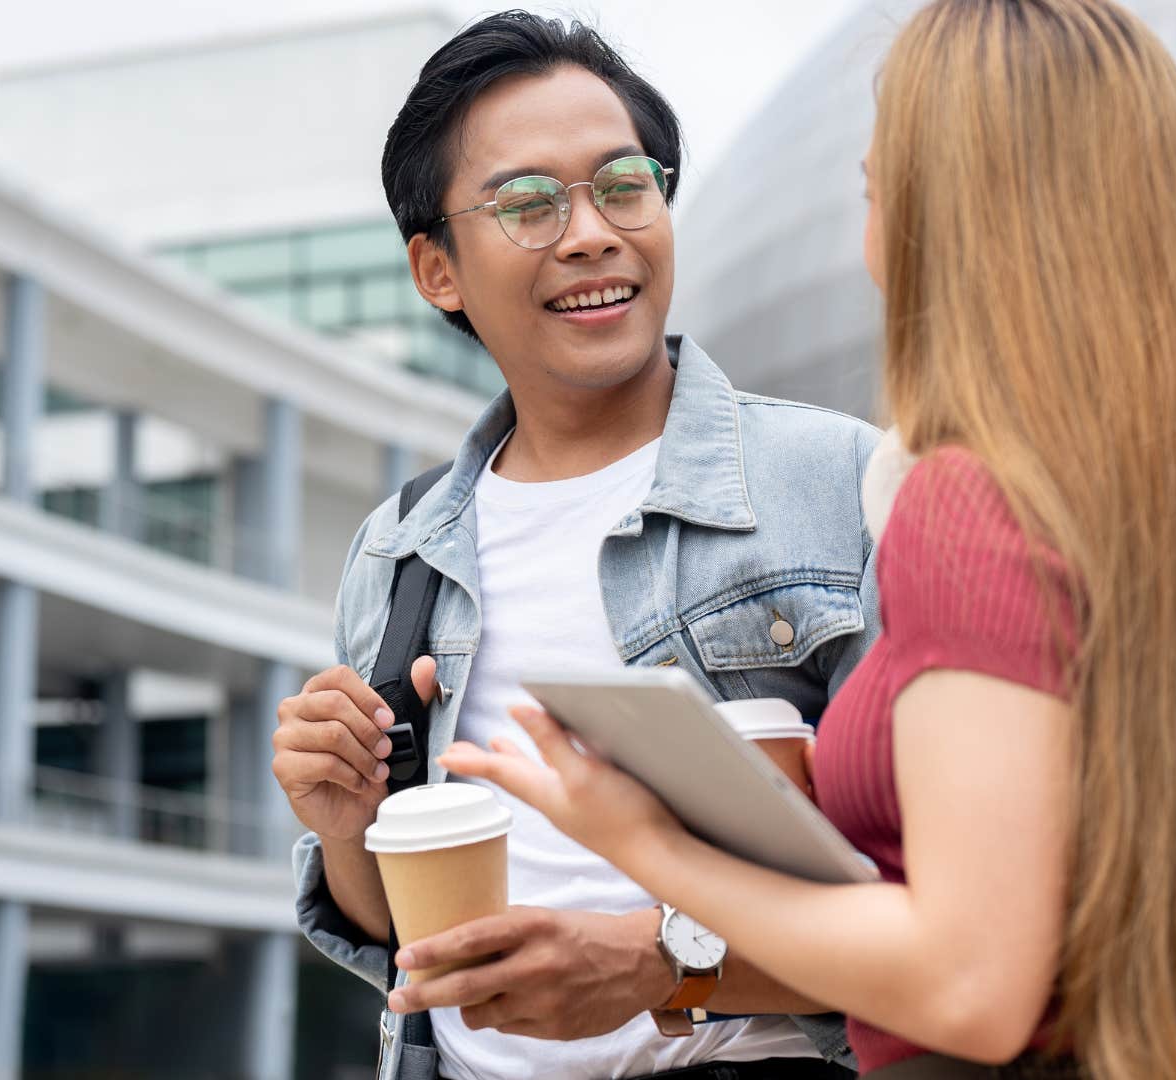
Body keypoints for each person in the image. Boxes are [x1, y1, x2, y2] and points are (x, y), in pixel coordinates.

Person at [438, 1, 1176, 1078]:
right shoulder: (1169, 503)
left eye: (878, 190)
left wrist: (642, 839)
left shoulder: (964, 505)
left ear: (948, 217)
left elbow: (970, 984)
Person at [272, 12, 879, 1080]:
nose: (592, 232)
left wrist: (661, 963)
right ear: (438, 271)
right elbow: (411, 939)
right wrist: (346, 826)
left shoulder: (841, 483)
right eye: (528, 203)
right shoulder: (399, 550)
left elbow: (949, 920)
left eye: (623, 184)